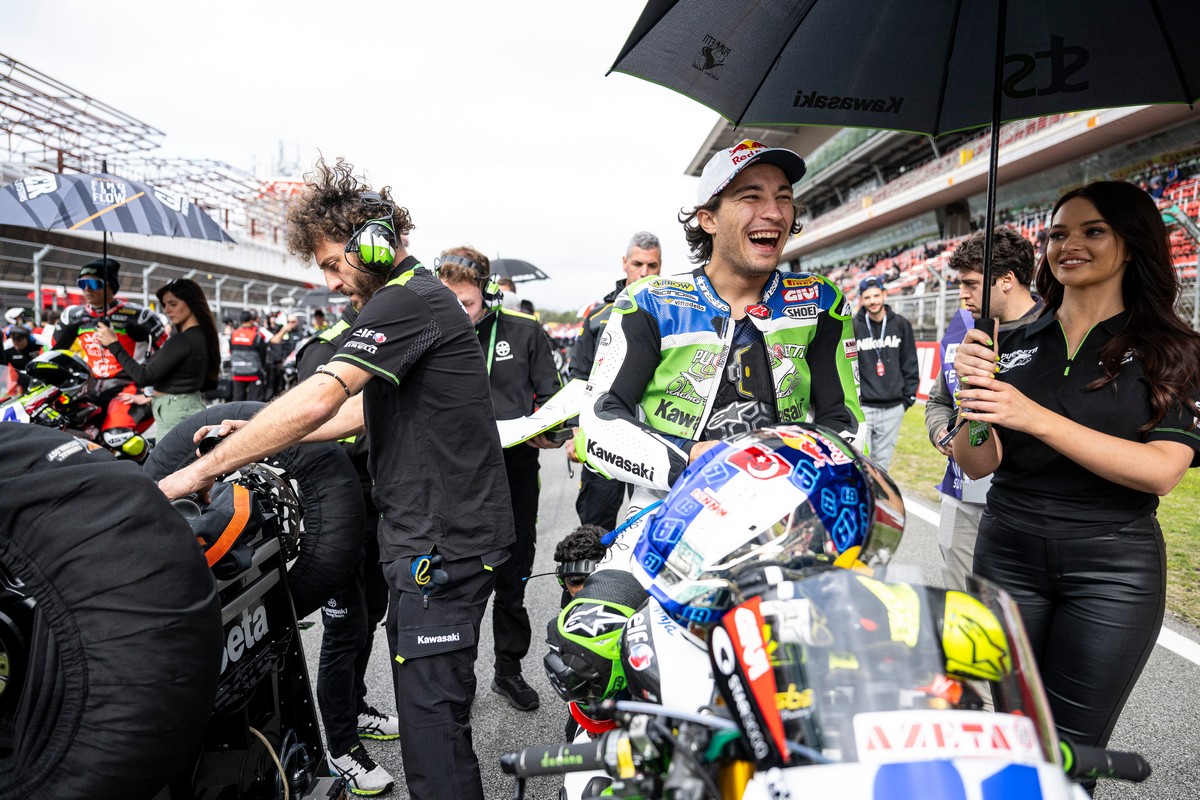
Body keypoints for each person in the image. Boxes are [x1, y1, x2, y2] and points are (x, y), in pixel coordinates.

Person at [158, 157, 514, 800]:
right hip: (435, 536)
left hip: (444, 541)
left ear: (370, 244)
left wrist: (195, 474)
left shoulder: (408, 297)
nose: (328, 280)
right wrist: (249, 433)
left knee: (432, 726)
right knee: (431, 707)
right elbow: (355, 410)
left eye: (329, 263)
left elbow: (321, 398)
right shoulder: (417, 300)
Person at [951, 181, 1200, 767]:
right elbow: (975, 461)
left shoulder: (1175, 350)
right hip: (1005, 552)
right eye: (1058, 233)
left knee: (1068, 757)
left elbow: (1162, 472)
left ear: (1132, 244)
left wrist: (1034, 418)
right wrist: (973, 400)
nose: (1070, 244)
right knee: (1013, 745)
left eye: (1093, 231)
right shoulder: (1006, 342)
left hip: (1112, 568)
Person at [579, 140, 863, 520]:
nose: (774, 213)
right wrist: (692, 457)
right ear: (708, 219)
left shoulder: (821, 302)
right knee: (608, 583)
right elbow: (599, 422)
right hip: (666, 512)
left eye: (784, 197)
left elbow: (845, 422)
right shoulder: (648, 301)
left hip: (786, 514)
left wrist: (801, 473)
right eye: (751, 197)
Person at [437, 245, 563, 713]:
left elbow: (551, 398)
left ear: (489, 294)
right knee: (461, 581)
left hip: (514, 470)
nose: (459, 314)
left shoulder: (524, 330)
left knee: (513, 577)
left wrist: (548, 429)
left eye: (467, 304)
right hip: (454, 474)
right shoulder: (431, 330)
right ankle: (457, 678)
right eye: (450, 303)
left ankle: (508, 671)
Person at [294, 301, 398, 794]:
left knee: (371, 612)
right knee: (344, 627)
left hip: (380, 502)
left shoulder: (390, 338)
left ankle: (355, 708)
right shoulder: (322, 349)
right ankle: (338, 746)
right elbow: (307, 429)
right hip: (334, 509)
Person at [925, 227, 1041, 591]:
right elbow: (939, 400)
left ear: (1007, 280)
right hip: (961, 491)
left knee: (1017, 615)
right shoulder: (961, 327)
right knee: (963, 609)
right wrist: (941, 430)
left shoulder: (1054, 327)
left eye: (972, 283)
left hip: (1027, 505)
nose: (962, 293)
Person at [568, 232, 662, 531]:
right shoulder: (598, 317)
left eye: (652, 265)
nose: (644, 272)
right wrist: (573, 431)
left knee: (651, 527)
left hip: (655, 440)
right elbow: (578, 378)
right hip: (603, 437)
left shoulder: (676, 313)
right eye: (638, 264)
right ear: (624, 263)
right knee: (595, 527)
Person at [52, 258, 166, 457]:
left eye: (95, 283)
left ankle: (154, 468)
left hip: (127, 387)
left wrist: (150, 392)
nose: (87, 289)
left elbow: (167, 354)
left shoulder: (138, 316)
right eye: (82, 284)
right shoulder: (72, 316)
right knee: (69, 434)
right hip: (88, 388)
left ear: (111, 287)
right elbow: (52, 353)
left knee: (118, 437)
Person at [93, 278, 220, 438]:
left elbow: (144, 376)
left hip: (175, 411)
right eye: (165, 305)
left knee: (170, 462)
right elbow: (180, 378)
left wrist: (114, 345)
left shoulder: (183, 340)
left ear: (191, 303)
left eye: (173, 304)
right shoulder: (200, 335)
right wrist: (149, 396)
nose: (167, 310)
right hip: (185, 405)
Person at [852, 275, 918, 469]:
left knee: (882, 467)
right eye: (867, 297)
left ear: (884, 294)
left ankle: (878, 500)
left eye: (876, 296)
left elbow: (910, 362)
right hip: (864, 409)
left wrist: (907, 399)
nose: (872, 301)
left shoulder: (900, 324)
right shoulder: (853, 326)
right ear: (861, 300)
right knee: (861, 463)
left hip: (893, 408)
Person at [229, 309, 268, 401]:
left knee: (237, 403)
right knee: (254, 404)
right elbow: (263, 355)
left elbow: (231, 351)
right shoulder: (256, 336)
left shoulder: (233, 335)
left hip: (237, 373)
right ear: (251, 321)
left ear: (241, 321)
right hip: (254, 375)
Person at [2, 324, 39, 395]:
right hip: (21, 378)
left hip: (39, 375)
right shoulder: (6, 347)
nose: (16, 346)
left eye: (20, 342)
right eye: (14, 342)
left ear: (27, 338)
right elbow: (2, 366)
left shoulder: (40, 342)